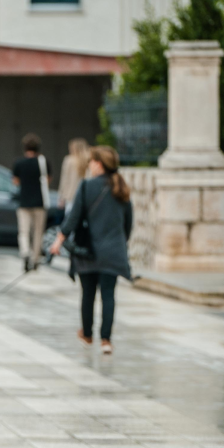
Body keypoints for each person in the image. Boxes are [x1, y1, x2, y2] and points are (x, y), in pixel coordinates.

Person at [48, 145, 133, 355]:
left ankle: (87, 335)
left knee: (88, 294)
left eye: (92, 162)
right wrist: (120, 244)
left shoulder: (87, 186)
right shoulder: (121, 187)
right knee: (108, 296)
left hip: (89, 251)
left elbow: (73, 218)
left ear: (99, 164)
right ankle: (106, 340)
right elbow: (128, 224)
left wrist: (58, 242)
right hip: (113, 251)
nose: (89, 165)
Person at [11, 134, 49, 272]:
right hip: (40, 202)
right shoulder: (43, 162)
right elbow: (47, 180)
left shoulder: (19, 163)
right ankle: (35, 258)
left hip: (24, 202)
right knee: (38, 232)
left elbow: (15, 181)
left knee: (24, 231)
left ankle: (25, 253)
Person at [58, 138, 91, 209]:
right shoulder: (89, 160)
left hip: (71, 195)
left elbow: (65, 180)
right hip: (87, 195)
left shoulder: (69, 160)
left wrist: (61, 196)